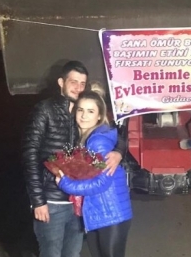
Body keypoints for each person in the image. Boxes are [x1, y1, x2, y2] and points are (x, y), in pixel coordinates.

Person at [22, 61, 123, 257]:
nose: (78, 88)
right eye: (73, 82)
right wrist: (38, 201)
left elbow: (112, 134)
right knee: (51, 252)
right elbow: (30, 155)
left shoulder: (82, 112)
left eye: (82, 83)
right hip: (52, 201)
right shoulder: (45, 110)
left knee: (73, 253)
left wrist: (119, 152)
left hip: (79, 201)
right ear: (61, 82)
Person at [56, 91, 133, 257]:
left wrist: (65, 184)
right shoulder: (88, 137)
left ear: (99, 116)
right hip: (101, 211)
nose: (84, 116)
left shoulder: (97, 142)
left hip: (110, 213)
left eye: (90, 111)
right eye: (80, 110)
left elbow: (102, 182)